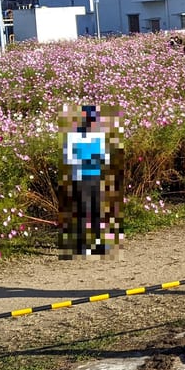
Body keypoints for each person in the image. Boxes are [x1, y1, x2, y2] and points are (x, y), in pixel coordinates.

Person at [61, 104, 123, 258]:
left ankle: (96, 243)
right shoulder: (73, 137)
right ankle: (83, 245)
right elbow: (68, 158)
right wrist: (90, 160)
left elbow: (105, 159)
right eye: (91, 120)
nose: (92, 123)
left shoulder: (98, 137)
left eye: (93, 120)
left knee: (95, 211)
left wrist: (93, 160)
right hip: (81, 178)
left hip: (94, 178)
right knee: (83, 212)